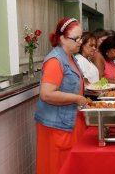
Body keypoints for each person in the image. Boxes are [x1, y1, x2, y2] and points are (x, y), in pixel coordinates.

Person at [34, 18, 88, 174]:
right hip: (57, 126)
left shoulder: (70, 57)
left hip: (70, 122)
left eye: (81, 37)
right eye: (76, 38)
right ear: (62, 38)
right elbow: (47, 94)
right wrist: (77, 99)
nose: (80, 42)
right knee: (57, 168)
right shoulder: (55, 61)